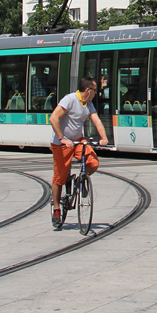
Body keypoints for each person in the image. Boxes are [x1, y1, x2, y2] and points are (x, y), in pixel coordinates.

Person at [49, 77, 110, 227]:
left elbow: (96, 121)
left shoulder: (88, 103)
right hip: (62, 143)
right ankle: (57, 208)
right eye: (95, 90)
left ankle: (81, 179)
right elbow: (53, 118)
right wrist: (62, 138)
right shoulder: (69, 100)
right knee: (59, 178)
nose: (97, 93)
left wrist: (104, 138)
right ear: (88, 90)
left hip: (77, 140)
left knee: (93, 162)